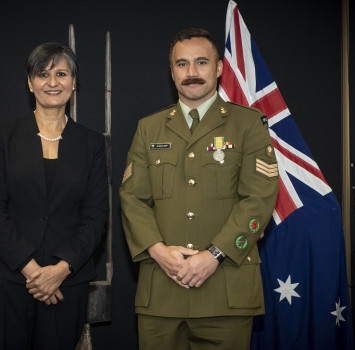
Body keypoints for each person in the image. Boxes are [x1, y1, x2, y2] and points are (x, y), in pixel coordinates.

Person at [119, 28, 279, 350]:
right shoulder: (148, 128)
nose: (191, 73)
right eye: (182, 64)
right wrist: (157, 251)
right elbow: (132, 198)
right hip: (162, 290)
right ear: (172, 71)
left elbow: (258, 199)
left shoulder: (248, 124)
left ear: (219, 68)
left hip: (225, 290)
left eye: (201, 62)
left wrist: (214, 255)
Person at [0, 42, 108, 349]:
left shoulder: (91, 143)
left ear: (74, 83)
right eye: (42, 73)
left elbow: (96, 217)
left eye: (61, 73)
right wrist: (35, 272)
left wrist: (59, 271)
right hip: (6, 279)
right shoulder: (3, 134)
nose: (52, 82)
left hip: (66, 283)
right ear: (29, 82)